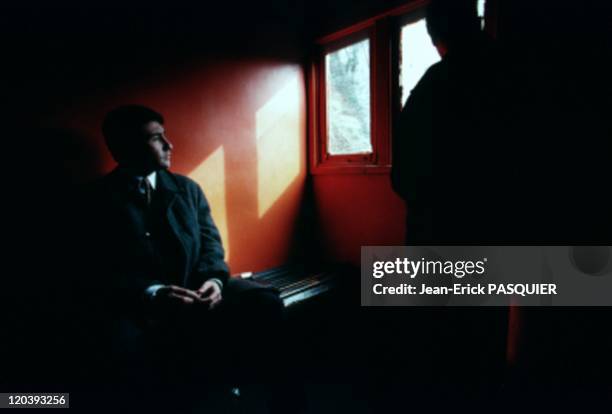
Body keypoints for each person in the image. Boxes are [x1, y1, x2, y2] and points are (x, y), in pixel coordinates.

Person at [68, 105, 285, 393]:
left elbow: (211, 246)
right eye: (156, 138)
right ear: (124, 147)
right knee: (117, 341)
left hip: (199, 289)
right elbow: (93, 271)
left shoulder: (187, 189)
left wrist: (214, 282)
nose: (169, 144)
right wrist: (153, 294)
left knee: (265, 301)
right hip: (137, 305)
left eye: (165, 135)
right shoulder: (93, 202)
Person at [389, 0, 509, 385]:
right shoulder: (515, 74)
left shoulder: (428, 89)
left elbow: (402, 179)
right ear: (475, 21)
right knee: (485, 349)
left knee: (437, 354)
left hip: (434, 238)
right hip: (497, 238)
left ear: (435, 37)